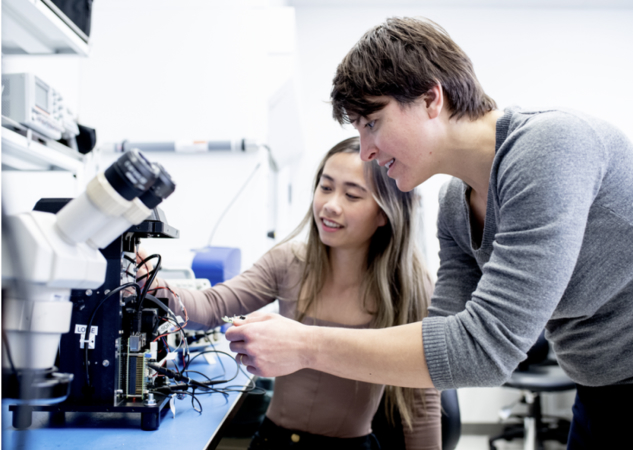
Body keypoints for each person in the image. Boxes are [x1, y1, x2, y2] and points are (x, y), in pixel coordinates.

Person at [225, 17, 633, 449]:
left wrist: (306, 345)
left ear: (430, 98)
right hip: (599, 392)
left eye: (372, 122)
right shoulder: (454, 205)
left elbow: (484, 349)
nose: (366, 150)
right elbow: (441, 348)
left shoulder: (551, 147)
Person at [139, 137, 441, 449]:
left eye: (351, 195)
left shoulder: (410, 287)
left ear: (384, 213)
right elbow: (211, 306)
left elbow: (421, 406)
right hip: (273, 441)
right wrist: (148, 283)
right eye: (325, 187)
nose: (330, 204)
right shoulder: (288, 262)